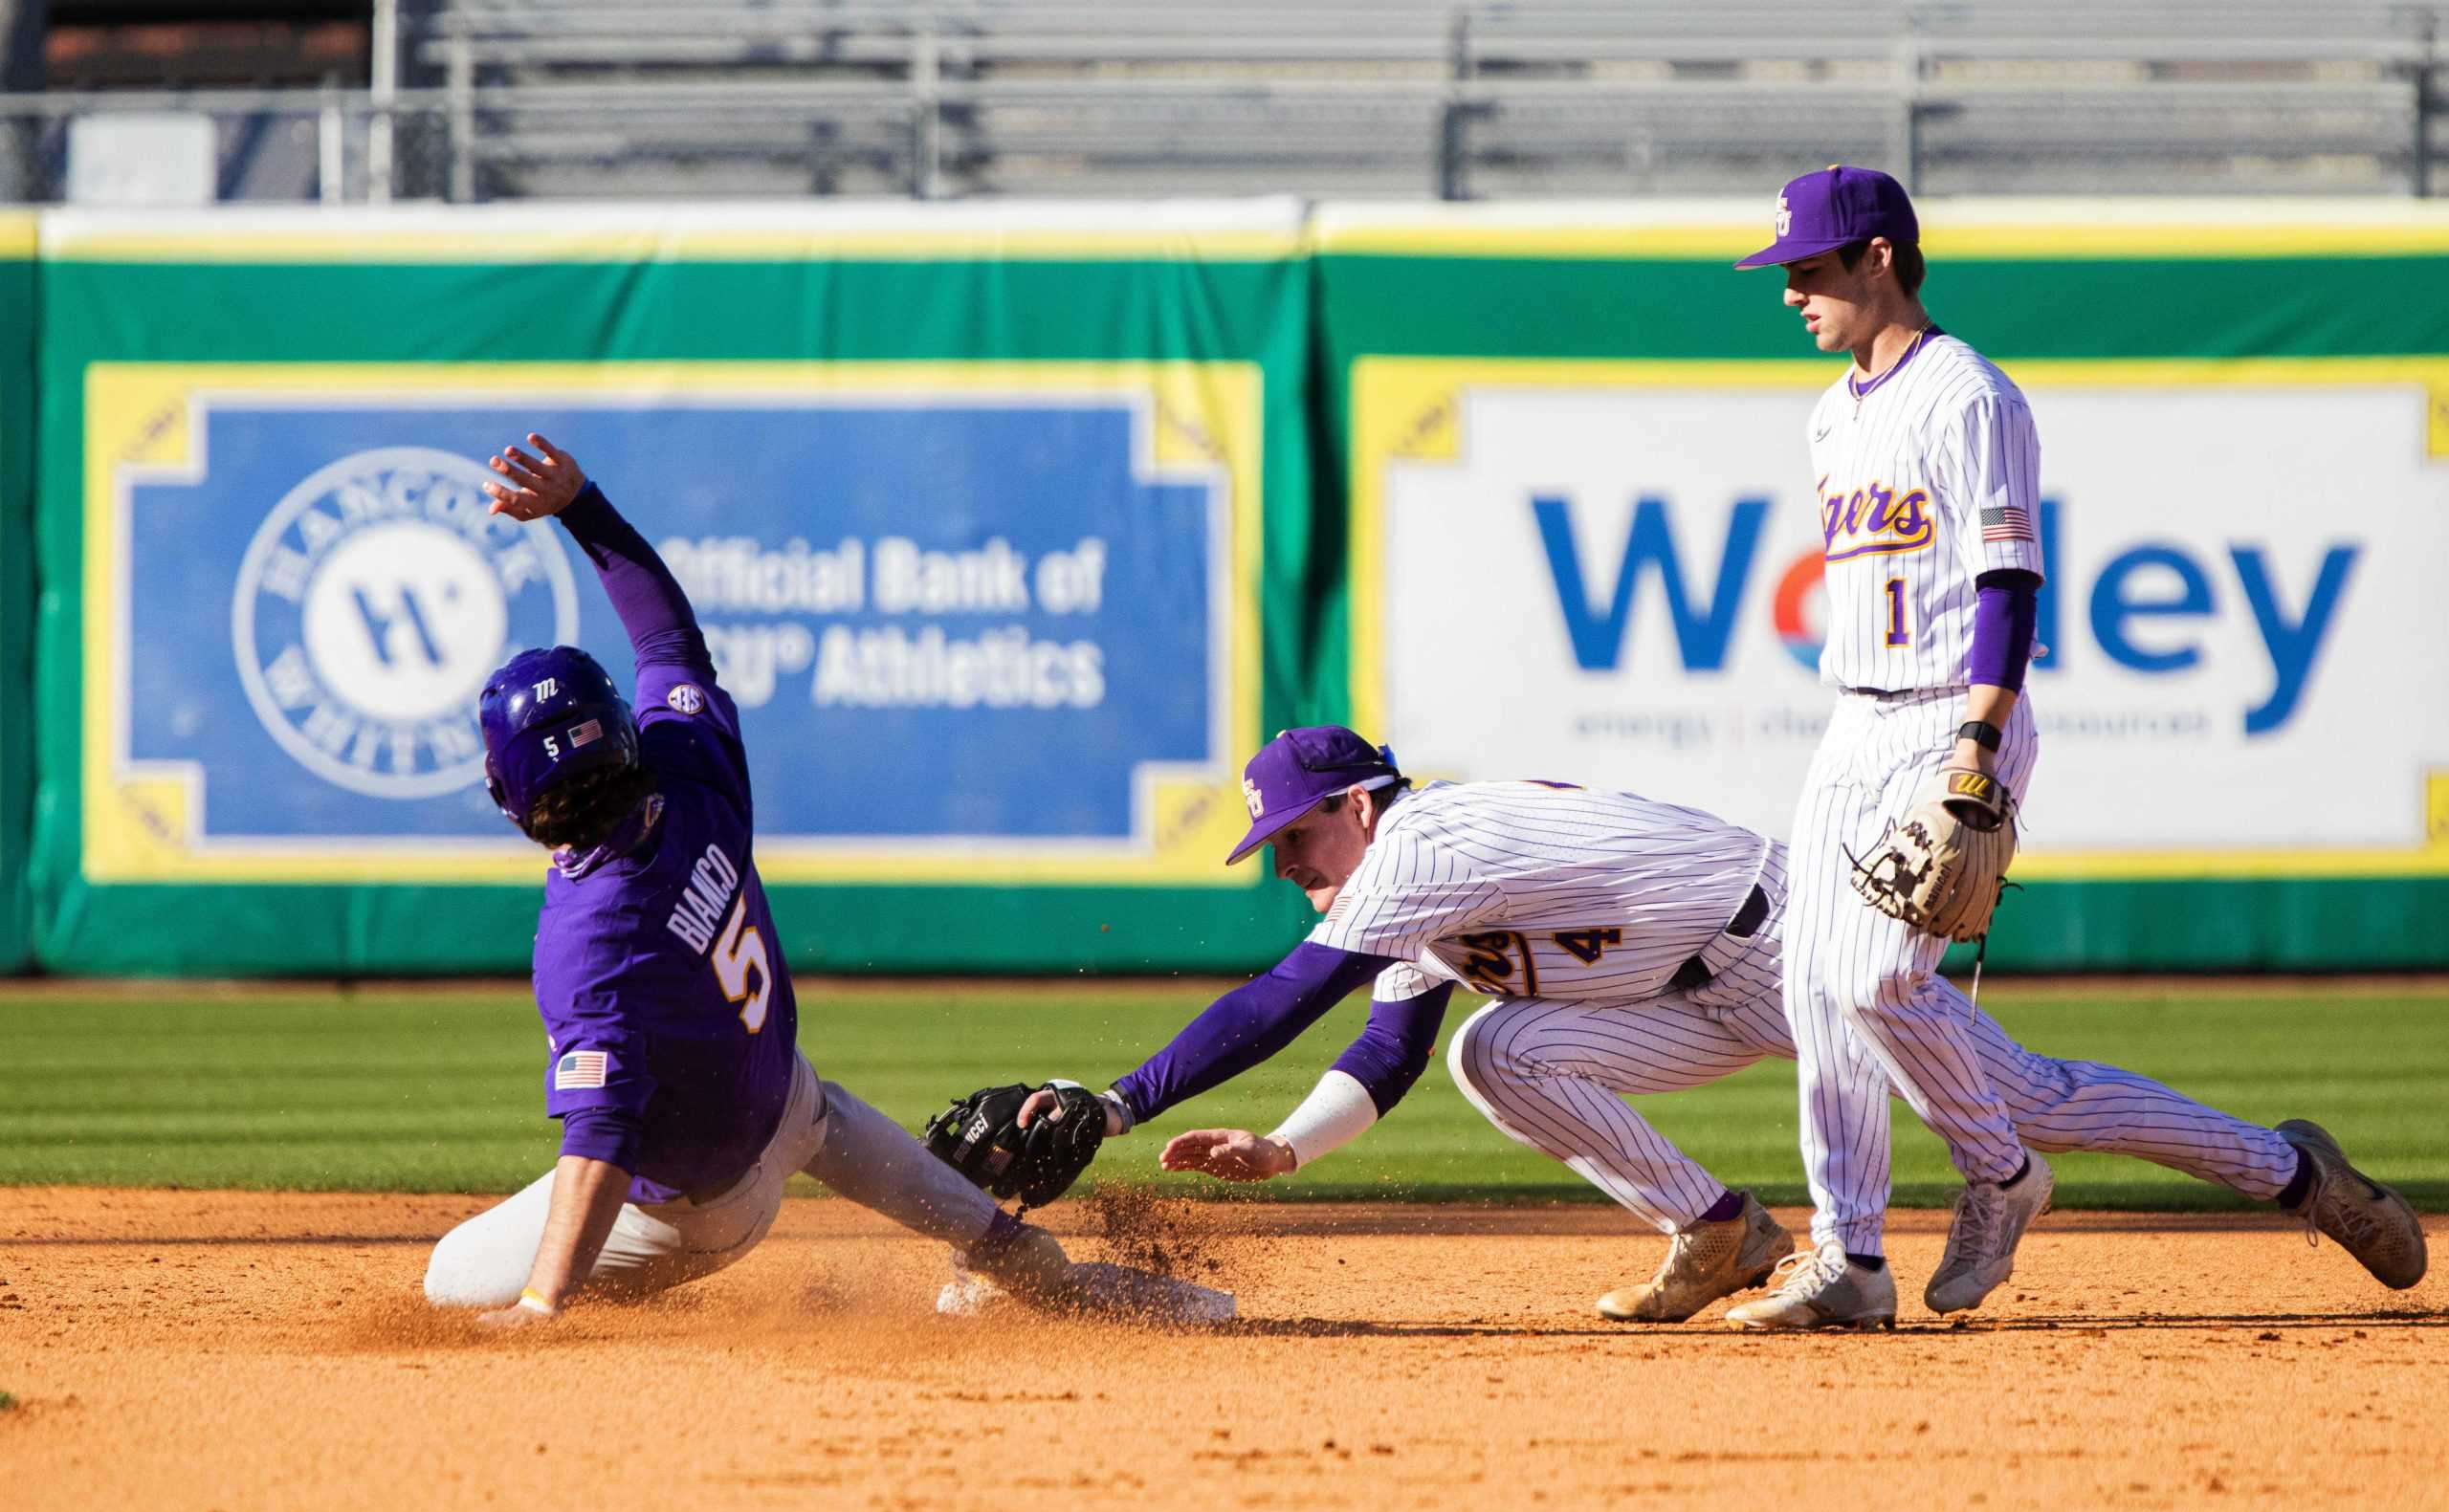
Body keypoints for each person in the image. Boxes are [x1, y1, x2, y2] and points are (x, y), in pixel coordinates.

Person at [1025, 727, 2425, 1327]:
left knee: (2036, 1101)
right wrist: (1285, 1145)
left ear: (1367, 801)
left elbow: (1288, 992)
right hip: (1676, 994)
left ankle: (2302, 1175)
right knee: (1492, 1048)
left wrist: (1121, 1097)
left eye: (1297, 833)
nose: (1289, 859)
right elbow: (1380, 1037)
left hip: (1794, 934)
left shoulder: (1425, 840)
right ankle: (1722, 1228)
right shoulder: (1413, 891)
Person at [421, 434, 1078, 1324]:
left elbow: (601, 1139)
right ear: (618, 730)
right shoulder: (690, 768)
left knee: (450, 1274)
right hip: (786, 1103)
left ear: (510, 798)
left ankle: (625, 1296)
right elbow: (665, 634)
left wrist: (542, 1304)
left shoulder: (587, 937)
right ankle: (1005, 1245)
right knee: (814, 1109)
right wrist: (582, 505)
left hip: (701, 1213)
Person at [1721, 164, 2058, 1326]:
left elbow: (2009, 578)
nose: (1788, 295)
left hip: (1947, 719)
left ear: (1878, 259)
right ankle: (1851, 1260)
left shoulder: (1969, 396)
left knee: (1875, 979)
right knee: (1812, 990)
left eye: (1807, 270)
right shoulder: (1830, 412)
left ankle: (2003, 1176)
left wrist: (1980, 739)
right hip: (1850, 723)